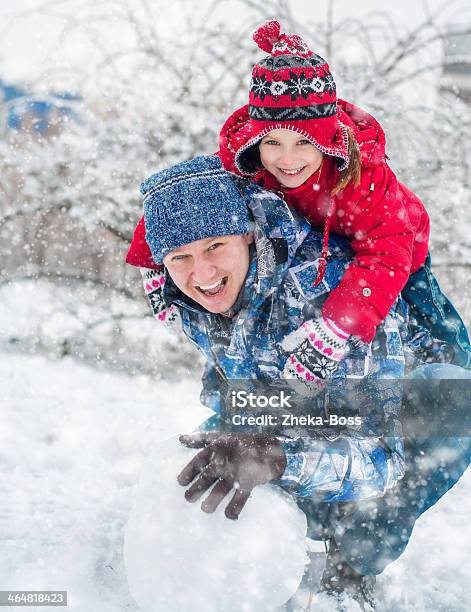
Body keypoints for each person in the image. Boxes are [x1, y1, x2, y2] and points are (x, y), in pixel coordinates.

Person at [134, 154, 471, 610]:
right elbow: (242, 389)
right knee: (227, 445)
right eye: (181, 258)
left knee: (449, 408)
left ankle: (351, 569)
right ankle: (284, 544)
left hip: (401, 400)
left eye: (215, 246)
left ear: (248, 235)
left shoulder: (330, 289)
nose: (203, 274)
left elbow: (380, 462)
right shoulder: (185, 296)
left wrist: (279, 458)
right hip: (299, 389)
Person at [126, 20, 471, 392]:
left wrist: (337, 327)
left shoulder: (362, 179)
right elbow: (181, 194)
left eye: (304, 143)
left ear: (328, 139)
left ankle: (457, 393)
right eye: (272, 142)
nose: (286, 160)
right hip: (321, 243)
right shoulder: (249, 159)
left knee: (441, 341)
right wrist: (154, 260)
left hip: (397, 251)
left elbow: (387, 256)